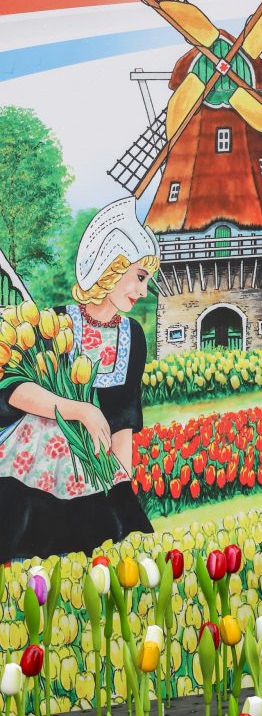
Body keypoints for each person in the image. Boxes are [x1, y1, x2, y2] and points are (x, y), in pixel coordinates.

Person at [0, 197, 160, 559]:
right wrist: (79, 410)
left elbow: (125, 416)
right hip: (38, 469)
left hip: (95, 474)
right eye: (139, 277)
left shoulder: (133, 336)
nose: (143, 291)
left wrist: (121, 480)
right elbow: (13, 390)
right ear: (110, 266)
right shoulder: (56, 322)